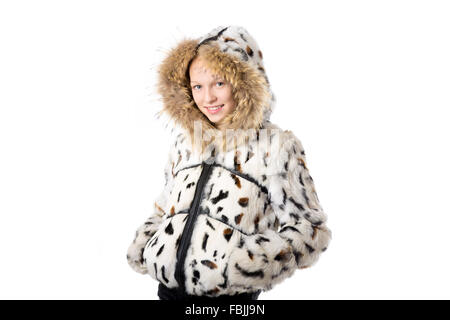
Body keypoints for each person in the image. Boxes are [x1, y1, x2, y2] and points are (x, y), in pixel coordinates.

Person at [127, 25, 332, 301]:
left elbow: (309, 230)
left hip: (229, 300)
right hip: (168, 293)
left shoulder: (276, 147)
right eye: (197, 86)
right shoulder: (186, 142)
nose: (207, 98)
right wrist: (148, 245)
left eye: (219, 83)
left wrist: (248, 265)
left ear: (244, 84)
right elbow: (166, 207)